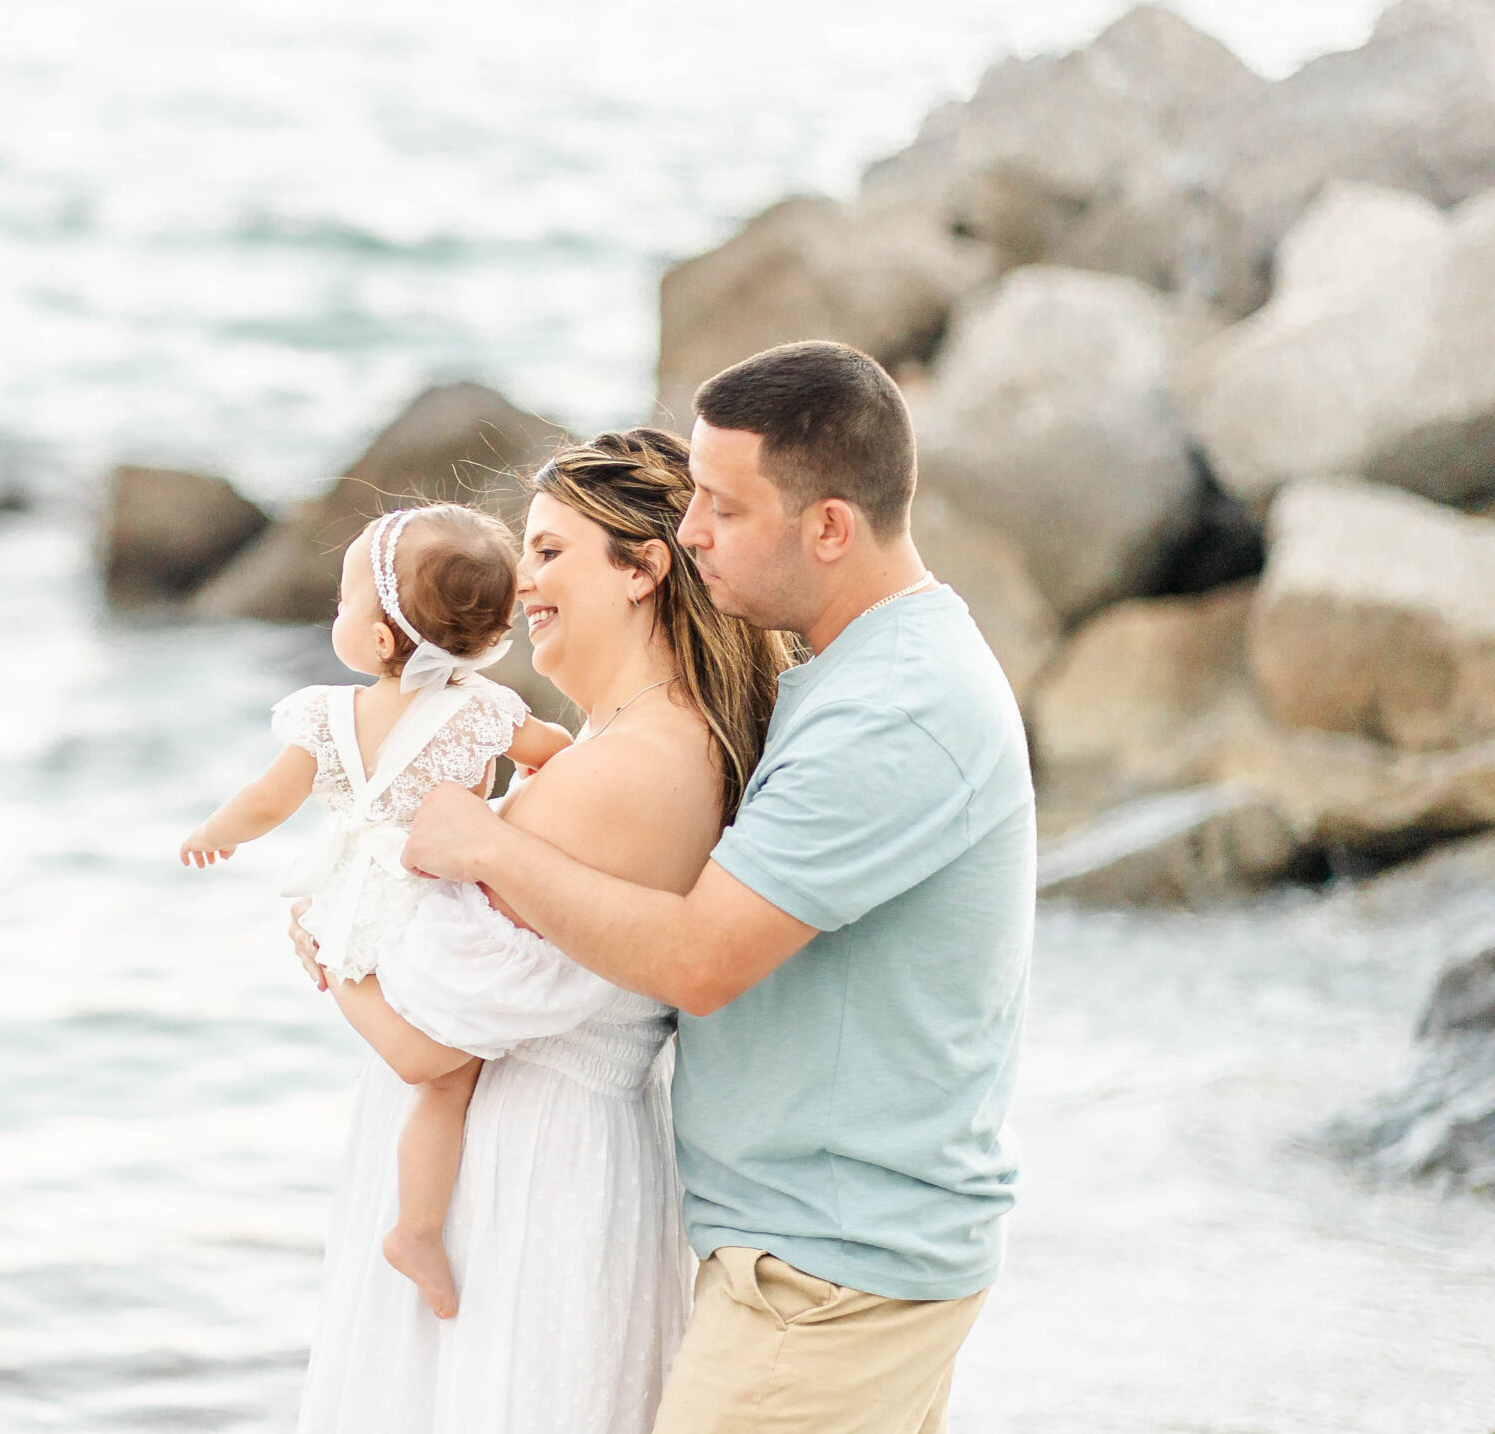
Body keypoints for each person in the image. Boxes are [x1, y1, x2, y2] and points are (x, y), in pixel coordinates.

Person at [403, 340, 1036, 1434]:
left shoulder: (892, 708)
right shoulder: (853, 673)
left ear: (829, 527)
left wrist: (489, 846)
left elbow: (701, 958)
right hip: (838, 1249)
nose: (688, 533)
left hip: (827, 1277)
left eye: (723, 509)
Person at [289, 431, 791, 1433]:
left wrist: (320, 943)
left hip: (529, 1187)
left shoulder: (631, 767)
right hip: (528, 1165)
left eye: (552, 552)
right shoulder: (621, 743)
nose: (522, 584)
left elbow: (431, 1033)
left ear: (642, 569)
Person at [181, 503, 572, 1318]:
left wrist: (216, 832)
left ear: (385, 639)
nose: (336, 610)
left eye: (344, 600)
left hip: (350, 902)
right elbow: (561, 758)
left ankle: (413, 1230)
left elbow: (266, 800)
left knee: (417, 1042)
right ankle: (417, 1229)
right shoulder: (483, 711)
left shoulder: (325, 715)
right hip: (437, 907)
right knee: (448, 1075)